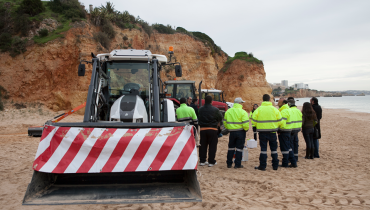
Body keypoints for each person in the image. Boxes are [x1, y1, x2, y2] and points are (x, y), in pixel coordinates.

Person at [252, 94, 282, 171]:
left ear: (263, 99)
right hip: (272, 132)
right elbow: (280, 121)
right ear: (269, 99)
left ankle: (262, 166)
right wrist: (275, 125)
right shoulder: (274, 109)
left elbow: (253, 120)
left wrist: (259, 125)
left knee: (263, 150)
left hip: (262, 132)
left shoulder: (259, 109)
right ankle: (275, 166)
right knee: (274, 149)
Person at [224, 97, 249, 169]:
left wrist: (229, 128)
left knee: (231, 148)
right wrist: (246, 129)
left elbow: (225, 122)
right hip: (241, 132)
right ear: (240, 103)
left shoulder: (228, 111)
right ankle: (237, 164)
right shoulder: (243, 112)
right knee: (239, 149)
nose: (242, 104)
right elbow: (245, 123)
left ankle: (229, 163)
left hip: (232, 132)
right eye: (242, 103)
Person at [198, 96, 223, 167]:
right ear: (211, 101)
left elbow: (198, 117)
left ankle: (202, 161)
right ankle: (211, 161)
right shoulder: (215, 109)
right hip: (213, 129)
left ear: (204, 101)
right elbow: (220, 118)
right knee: (212, 146)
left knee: (202, 145)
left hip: (203, 130)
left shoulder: (200, 109)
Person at [277, 99, 297, 168]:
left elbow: (282, 123)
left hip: (284, 131)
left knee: (284, 148)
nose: (278, 103)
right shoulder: (289, 110)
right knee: (288, 147)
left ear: (284, 103)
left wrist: (279, 130)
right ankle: (293, 162)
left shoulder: (284, 111)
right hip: (288, 130)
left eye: (279, 102)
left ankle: (285, 163)